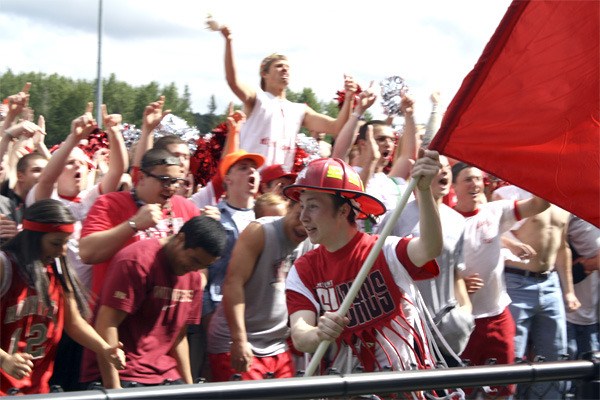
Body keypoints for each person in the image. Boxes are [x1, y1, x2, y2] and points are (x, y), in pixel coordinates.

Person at [284, 153, 443, 376]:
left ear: (343, 210)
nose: (303, 217)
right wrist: (319, 333)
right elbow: (300, 336)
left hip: (401, 384)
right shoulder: (303, 270)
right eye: (301, 206)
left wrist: (425, 192)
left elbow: (430, 247)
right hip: (342, 388)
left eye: (312, 206)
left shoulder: (385, 250)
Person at [79, 216, 226, 388]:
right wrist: (114, 389)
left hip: (164, 373)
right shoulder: (137, 261)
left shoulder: (193, 276)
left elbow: (179, 336)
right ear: (180, 239)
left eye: (203, 265)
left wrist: (189, 387)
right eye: (194, 260)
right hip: (123, 372)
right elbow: (106, 323)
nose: (195, 269)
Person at [0, 199, 125, 395]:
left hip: (37, 388)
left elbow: (73, 322)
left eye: (67, 242)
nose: (62, 251)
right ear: (33, 237)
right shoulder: (4, 265)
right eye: (56, 243)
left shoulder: (56, 267)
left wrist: (105, 349)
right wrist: (4, 359)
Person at [451, 163, 550, 397]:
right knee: (459, 392)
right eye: (467, 179)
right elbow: (431, 267)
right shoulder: (445, 221)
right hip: (462, 323)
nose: (475, 184)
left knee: (502, 391)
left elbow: (539, 205)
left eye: (478, 178)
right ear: (453, 186)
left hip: (497, 317)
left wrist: (544, 169)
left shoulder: (496, 211)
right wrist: (458, 285)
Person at [215, 24, 355, 169]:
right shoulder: (257, 99)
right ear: (264, 73)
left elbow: (337, 127)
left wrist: (349, 98)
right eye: (279, 66)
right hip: (251, 181)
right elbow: (233, 82)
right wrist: (229, 42)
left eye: (287, 67)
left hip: (278, 186)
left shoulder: (299, 110)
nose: (285, 70)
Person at [376, 155, 473, 365]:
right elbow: (377, 265)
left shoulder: (457, 221)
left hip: (446, 332)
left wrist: (466, 313)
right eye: (438, 167)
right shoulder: (396, 216)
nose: (445, 172)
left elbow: (456, 275)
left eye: (447, 168)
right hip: (405, 328)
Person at [494, 184, 580, 399]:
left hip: (550, 284)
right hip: (516, 281)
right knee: (512, 354)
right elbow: (489, 231)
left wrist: (568, 291)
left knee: (555, 354)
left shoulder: (564, 199)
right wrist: (511, 244)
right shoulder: (509, 194)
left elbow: (562, 247)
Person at [208, 201, 307, 381]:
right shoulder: (261, 231)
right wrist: (239, 340)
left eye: (310, 220)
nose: (303, 226)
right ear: (290, 206)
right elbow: (233, 283)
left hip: (277, 344)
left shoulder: (313, 238)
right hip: (238, 342)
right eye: (300, 215)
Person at [79, 148, 199, 297]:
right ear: (141, 177)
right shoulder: (110, 204)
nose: (171, 188)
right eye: (164, 181)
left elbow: (200, 265)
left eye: (175, 182)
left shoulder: (187, 208)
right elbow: (87, 253)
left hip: (166, 313)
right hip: (115, 311)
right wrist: (133, 225)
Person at [187, 149, 264, 381]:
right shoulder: (214, 217)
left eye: (254, 168)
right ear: (227, 179)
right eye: (243, 167)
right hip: (219, 312)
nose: (252, 171)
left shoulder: (266, 218)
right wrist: (210, 313)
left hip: (257, 315)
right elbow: (204, 270)